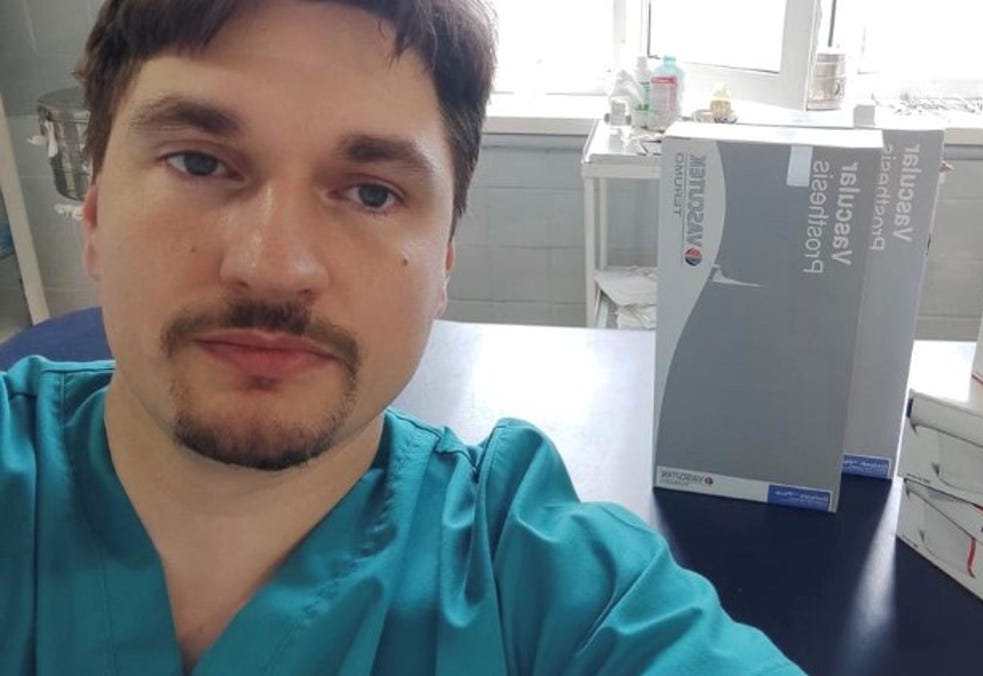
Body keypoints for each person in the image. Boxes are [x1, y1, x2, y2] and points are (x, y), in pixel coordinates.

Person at [0, 0, 804, 674]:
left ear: (444, 263)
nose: (275, 268)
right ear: (95, 215)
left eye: (373, 194)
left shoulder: (547, 588)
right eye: (199, 163)